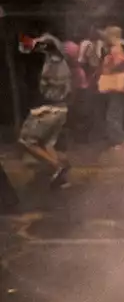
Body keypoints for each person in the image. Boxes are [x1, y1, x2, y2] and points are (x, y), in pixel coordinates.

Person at [17, 34, 73, 188]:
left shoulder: (51, 63)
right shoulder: (63, 63)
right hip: (61, 108)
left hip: (47, 109)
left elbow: (29, 47)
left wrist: (30, 43)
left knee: (27, 141)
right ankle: (62, 178)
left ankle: (57, 166)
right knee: (47, 144)